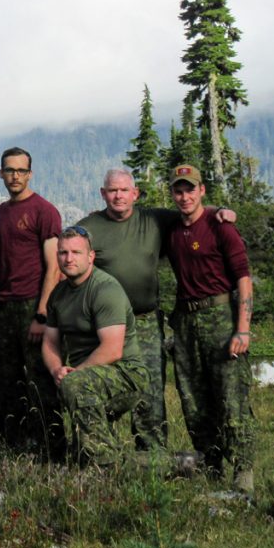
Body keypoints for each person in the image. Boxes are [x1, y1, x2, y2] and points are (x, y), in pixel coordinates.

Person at [77, 168, 236, 452]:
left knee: (150, 392)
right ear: (103, 194)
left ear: (135, 194)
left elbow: (191, 210)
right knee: (101, 386)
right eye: (112, 190)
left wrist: (220, 210)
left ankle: (153, 455)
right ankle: (99, 451)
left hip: (146, 321)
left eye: (124, 190)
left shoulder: (154, 219)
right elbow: (67, 260)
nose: (118, 195)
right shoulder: (89, 227)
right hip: (104, 325)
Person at [166, 164, 255, 493]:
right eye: (178, 190)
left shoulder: (220, 227)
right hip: (185, 321)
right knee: (193, 399)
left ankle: (243, 472)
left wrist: (242, 329)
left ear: (202, 190)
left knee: (231, 396)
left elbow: (243, 280)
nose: (185, 196)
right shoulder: (172, 230)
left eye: (191, 189)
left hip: (220, 316)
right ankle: (213, 466)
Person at [41, 226, 148, 466]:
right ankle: (176, 463)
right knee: (82, 450)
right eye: (63, 253)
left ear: (91, 256)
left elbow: (112, 349)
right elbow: (49, 341)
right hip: (87, 374)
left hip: (125, 373)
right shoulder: (58, 294)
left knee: (75, 385)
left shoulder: (105, 289)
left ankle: (105, 466)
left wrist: (74, 375)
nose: (69, 259)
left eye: (76, 252)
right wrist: (57, 369)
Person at [0, 147, 65, 460]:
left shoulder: (44, 211)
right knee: (6, 378)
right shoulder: (2, 212)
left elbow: (55, 267)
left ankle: (52, 445)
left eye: (21, 170)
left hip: (33, 304)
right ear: (1, 174)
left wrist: (42, 313)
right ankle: (16, 442)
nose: (15, 176)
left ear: (30, 173)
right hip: (4, 306)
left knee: (39, 379)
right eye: (10, 170)